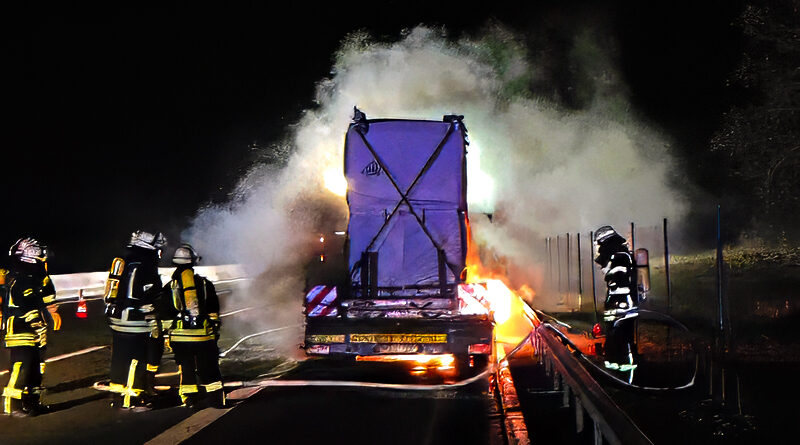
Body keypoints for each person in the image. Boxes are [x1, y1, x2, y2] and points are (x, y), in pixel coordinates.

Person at [104, 230, 167, 409]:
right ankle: (133, 398)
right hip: (136, 319)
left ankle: (117, 397)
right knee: (137, 358)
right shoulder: (147, 264)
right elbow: (149, 294)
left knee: (119, 357)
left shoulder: (123, 260)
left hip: (117, 317)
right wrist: (154, 314)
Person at [1, 237, 60, 416]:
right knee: (21, 364)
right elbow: (20, 301)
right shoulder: (18, 275)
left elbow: (46, 294)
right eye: (38, 251)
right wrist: (33, 316)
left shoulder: (35, 273)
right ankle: (13, 404)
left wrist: (52, 311)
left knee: (35, 365)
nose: (43, 254)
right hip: (19, 326)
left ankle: (32, 401)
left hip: (35, 327)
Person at [162, 243, 224, 408]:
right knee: (209, 367)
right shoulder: (205, 285)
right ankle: (216, 399)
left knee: (186, 368)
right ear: (193, 263)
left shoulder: (170, 287)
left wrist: (168, 335)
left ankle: (189, 399)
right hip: (204, 336)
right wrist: (214, 332)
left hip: (180, 338)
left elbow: (165, 315)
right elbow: (213, 311)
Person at [594, 225, 638, 371]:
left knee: (621, 337)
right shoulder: (617, 256)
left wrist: (617, 306)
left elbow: (619, 283)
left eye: (600, 245)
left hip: (622, 307)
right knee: (614, 337)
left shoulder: (620, 257)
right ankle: (614, 367)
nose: (599, 250)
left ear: (608, 243)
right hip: (617, 307)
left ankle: (626, 371)